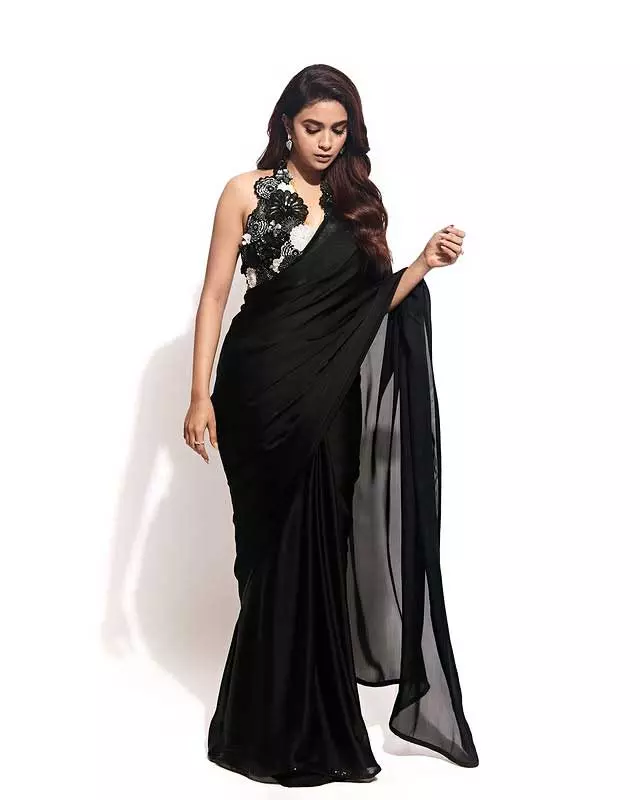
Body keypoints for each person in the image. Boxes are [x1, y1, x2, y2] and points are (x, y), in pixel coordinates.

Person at [183, 64, 479, 787]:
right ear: (286, 124)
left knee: (323, 544)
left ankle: (319, 717)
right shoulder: (246, 192)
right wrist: (198, 395)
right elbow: (216, 296)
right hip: (258, 393)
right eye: (312, 127)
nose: (325, 141)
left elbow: (369, 305)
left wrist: (423, 264)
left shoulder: (359, 204)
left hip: (329, 400)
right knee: (267, 550)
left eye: (338, 130)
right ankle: (261, 719)